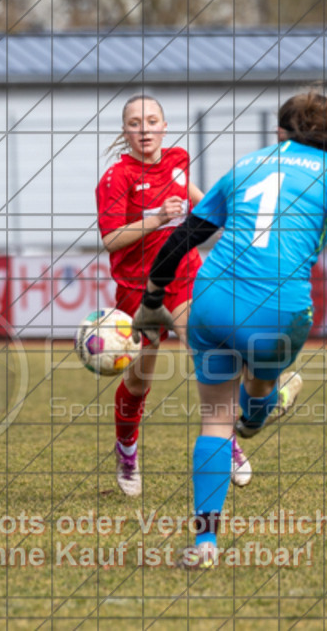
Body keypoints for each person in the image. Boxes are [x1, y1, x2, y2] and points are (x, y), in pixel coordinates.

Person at [133, 88, 327, 568]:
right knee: (260, 383)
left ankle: (204, 544)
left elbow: (188, 234)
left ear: (280, 133)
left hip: (213, 302)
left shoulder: (248, 163)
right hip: (278, 312)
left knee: (214, 423)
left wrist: (153, 297)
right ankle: (262, 408)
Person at [97, 94, 268, 497]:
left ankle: (224, 443)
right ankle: (127, 449)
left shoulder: (178, 159)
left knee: (213, 354)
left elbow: (199, 198)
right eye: (135, 123)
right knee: (139, 382)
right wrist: (156, 218)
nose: (144, 130)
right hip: (137, 292)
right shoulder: (115, 178)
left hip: (184, 280)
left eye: (152, 121)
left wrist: (228, 226)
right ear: (125, 132)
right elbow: (110, 240)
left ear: (164, 126)